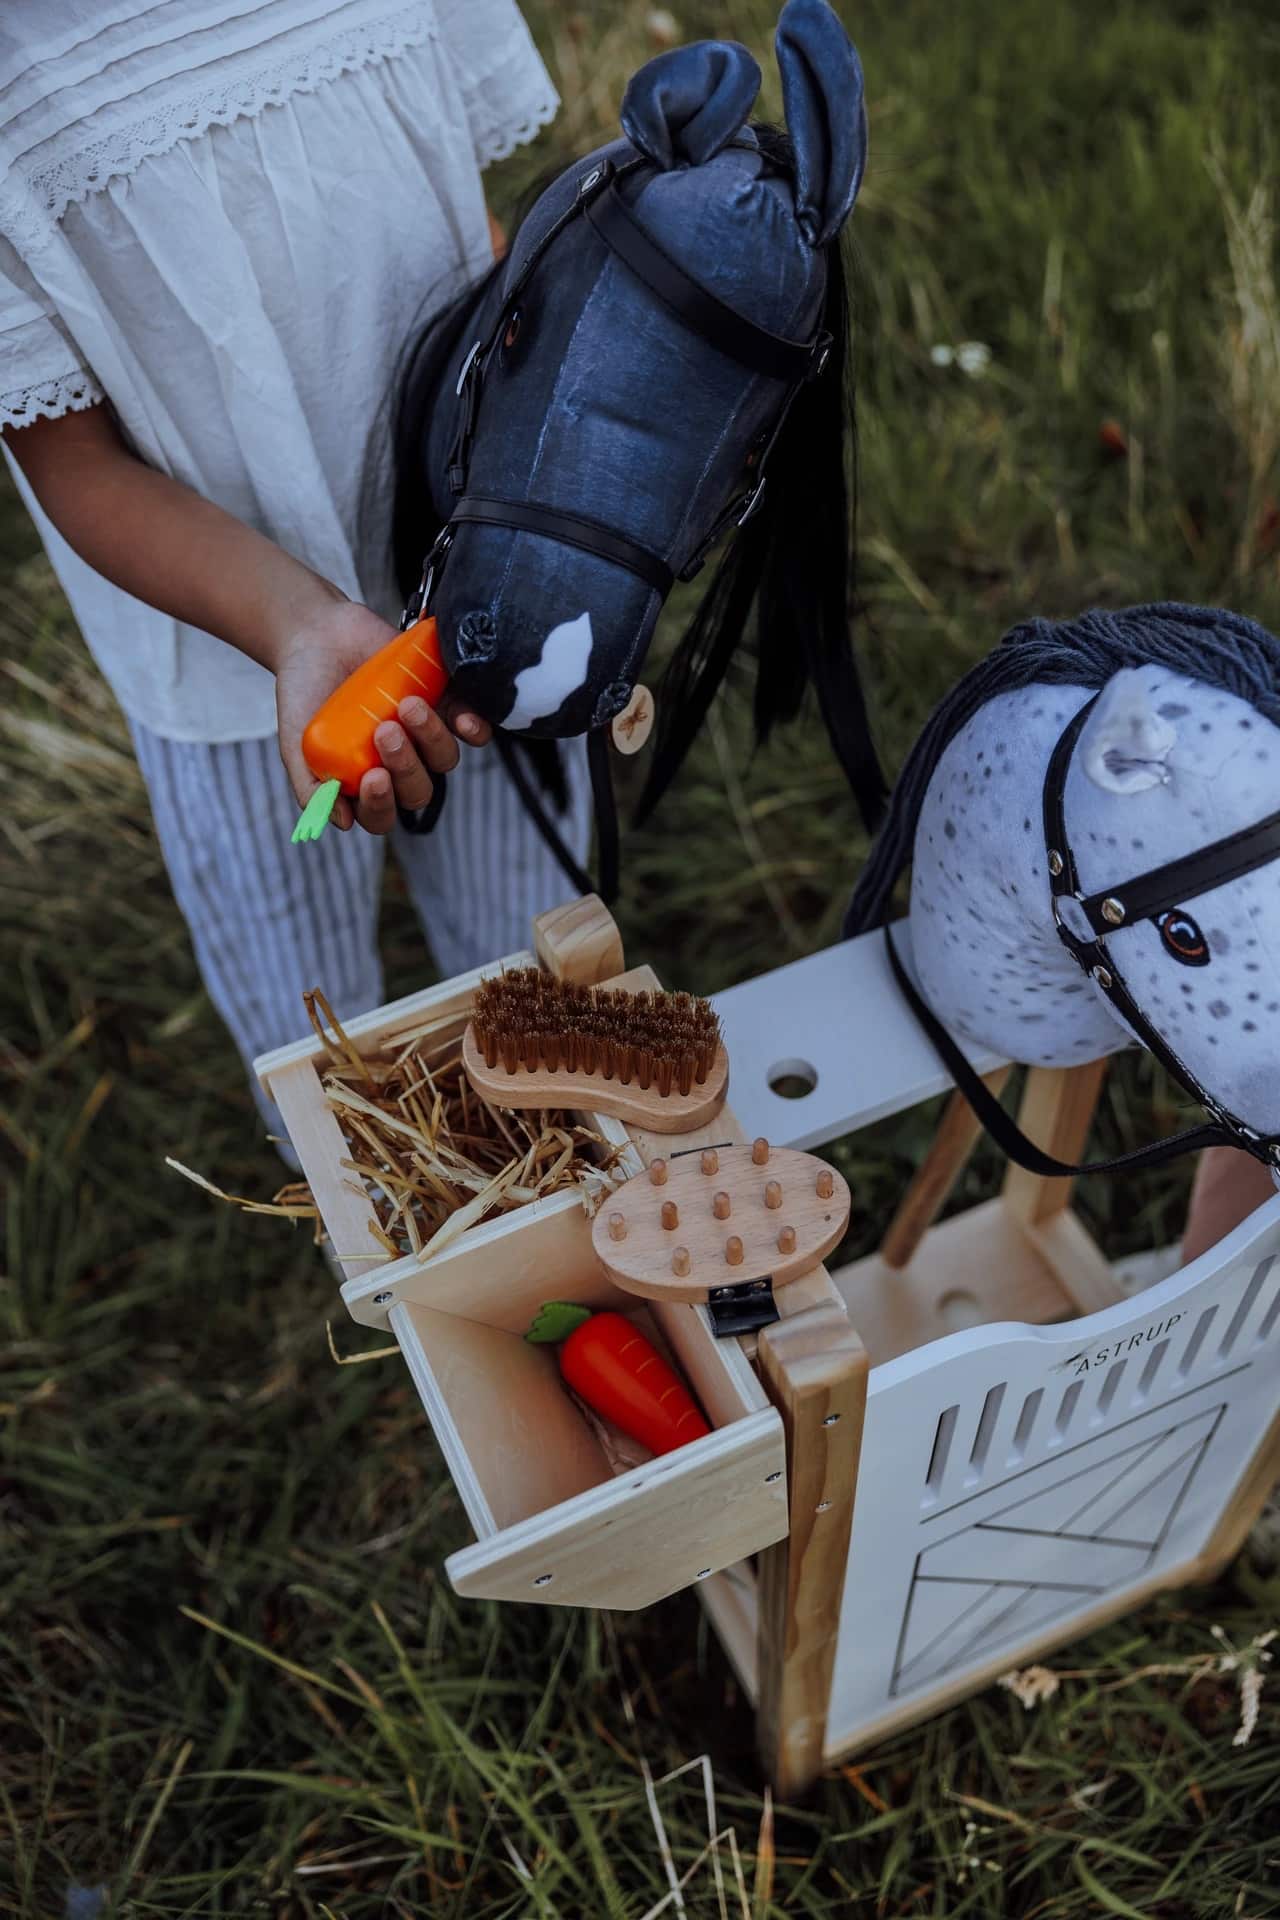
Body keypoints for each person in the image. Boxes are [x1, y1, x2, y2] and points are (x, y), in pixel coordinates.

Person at [0, 0, 592, 1153]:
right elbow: (70, 461)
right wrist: (293, 622)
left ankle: (557, 1155)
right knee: (319, 1033)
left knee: (532, 945)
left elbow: (457, 213)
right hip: (235, 657)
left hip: (473, 580)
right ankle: (383, 1210)